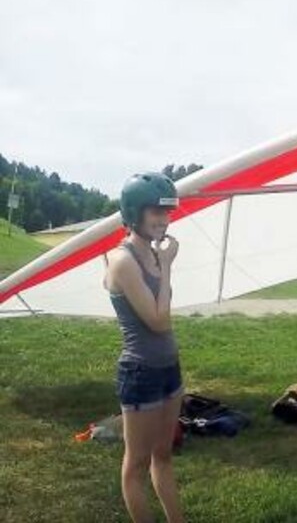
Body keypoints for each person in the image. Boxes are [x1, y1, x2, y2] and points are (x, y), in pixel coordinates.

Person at [104, 172, 184, 522]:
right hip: (140, 373)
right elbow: (159, 321)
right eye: (156, 211)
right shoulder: (123, 261)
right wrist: (166, 267)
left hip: (169, 368)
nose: (164, 219)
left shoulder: (151, 253)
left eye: (167, 212)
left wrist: (161, 263)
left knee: (163, 455)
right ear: (134, 213)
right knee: (136, 464)